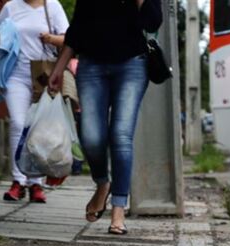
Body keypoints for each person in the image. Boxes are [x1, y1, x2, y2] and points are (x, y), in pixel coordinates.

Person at [48, 0, 162, 234]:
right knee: (91, 136)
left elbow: (153, 22)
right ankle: (102, 183)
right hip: (91, 66)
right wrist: (59, 67)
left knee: (121, 136)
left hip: (132, 65)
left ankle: (118, 210)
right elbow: (78, 27)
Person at [0, 0, 69, 203]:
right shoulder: (11, 7)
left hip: (43, 75)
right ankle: (18, 181)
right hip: (15, 75)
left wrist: (51, 38)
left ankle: (35, 182)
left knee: (38, 128)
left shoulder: (52, 6)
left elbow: (68, 39)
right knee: (18, 124)